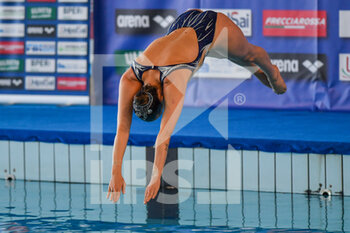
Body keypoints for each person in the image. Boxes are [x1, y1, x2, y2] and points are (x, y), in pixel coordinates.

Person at [107, 9, 287, 204]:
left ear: (161, 96)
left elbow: (163, 137)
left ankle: (272, 72)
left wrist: (155, 178)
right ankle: (261, 72)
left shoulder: (172, 83)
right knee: (238, 59)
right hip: (182, 22)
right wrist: (115, 173)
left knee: (248, 55)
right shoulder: (131, 77)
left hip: (210, 28)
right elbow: (122, 130)